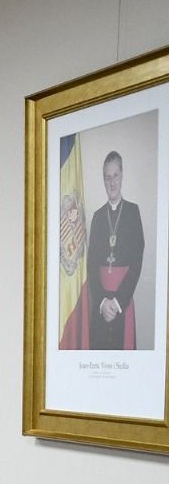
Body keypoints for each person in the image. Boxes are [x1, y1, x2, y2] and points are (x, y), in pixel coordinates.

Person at [86, 149, 146, 350]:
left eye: (115, 176)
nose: (111, 182)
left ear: (122, 175)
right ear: (103, 180)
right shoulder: (97, 216)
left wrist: (118, 301)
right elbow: (91, 265)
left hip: (124, 302)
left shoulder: (133, 212)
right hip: (101, 303)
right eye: (107, 177)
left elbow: (137, 262)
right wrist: (102, 302)